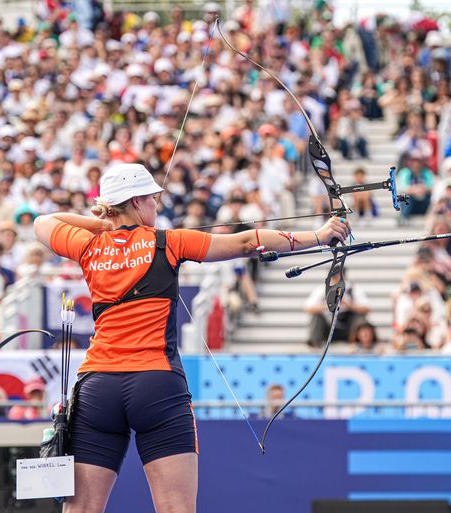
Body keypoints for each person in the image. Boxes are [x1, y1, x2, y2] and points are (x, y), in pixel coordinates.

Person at [34, 163, 351, 513]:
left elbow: (43, 222)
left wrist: (107, 223)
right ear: (137, 201)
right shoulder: (168, 242)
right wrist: (320, 236)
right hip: (155, 384)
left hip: (98, 387)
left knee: (80, 510)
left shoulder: (90, 245)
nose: (157, 205)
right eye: (153, 199)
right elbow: (247, 242)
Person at [305, 269, 370, 347]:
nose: (336, 279)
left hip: (349, 328)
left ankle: (358, 347)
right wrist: (328, 306)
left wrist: (350, 306)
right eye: (334, 276)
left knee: (360, 319)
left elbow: (367, 308)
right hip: (328, 328)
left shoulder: (353, 289)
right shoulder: (323, 289)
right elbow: (308, 308)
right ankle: (314, 346)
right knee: (316, 317)